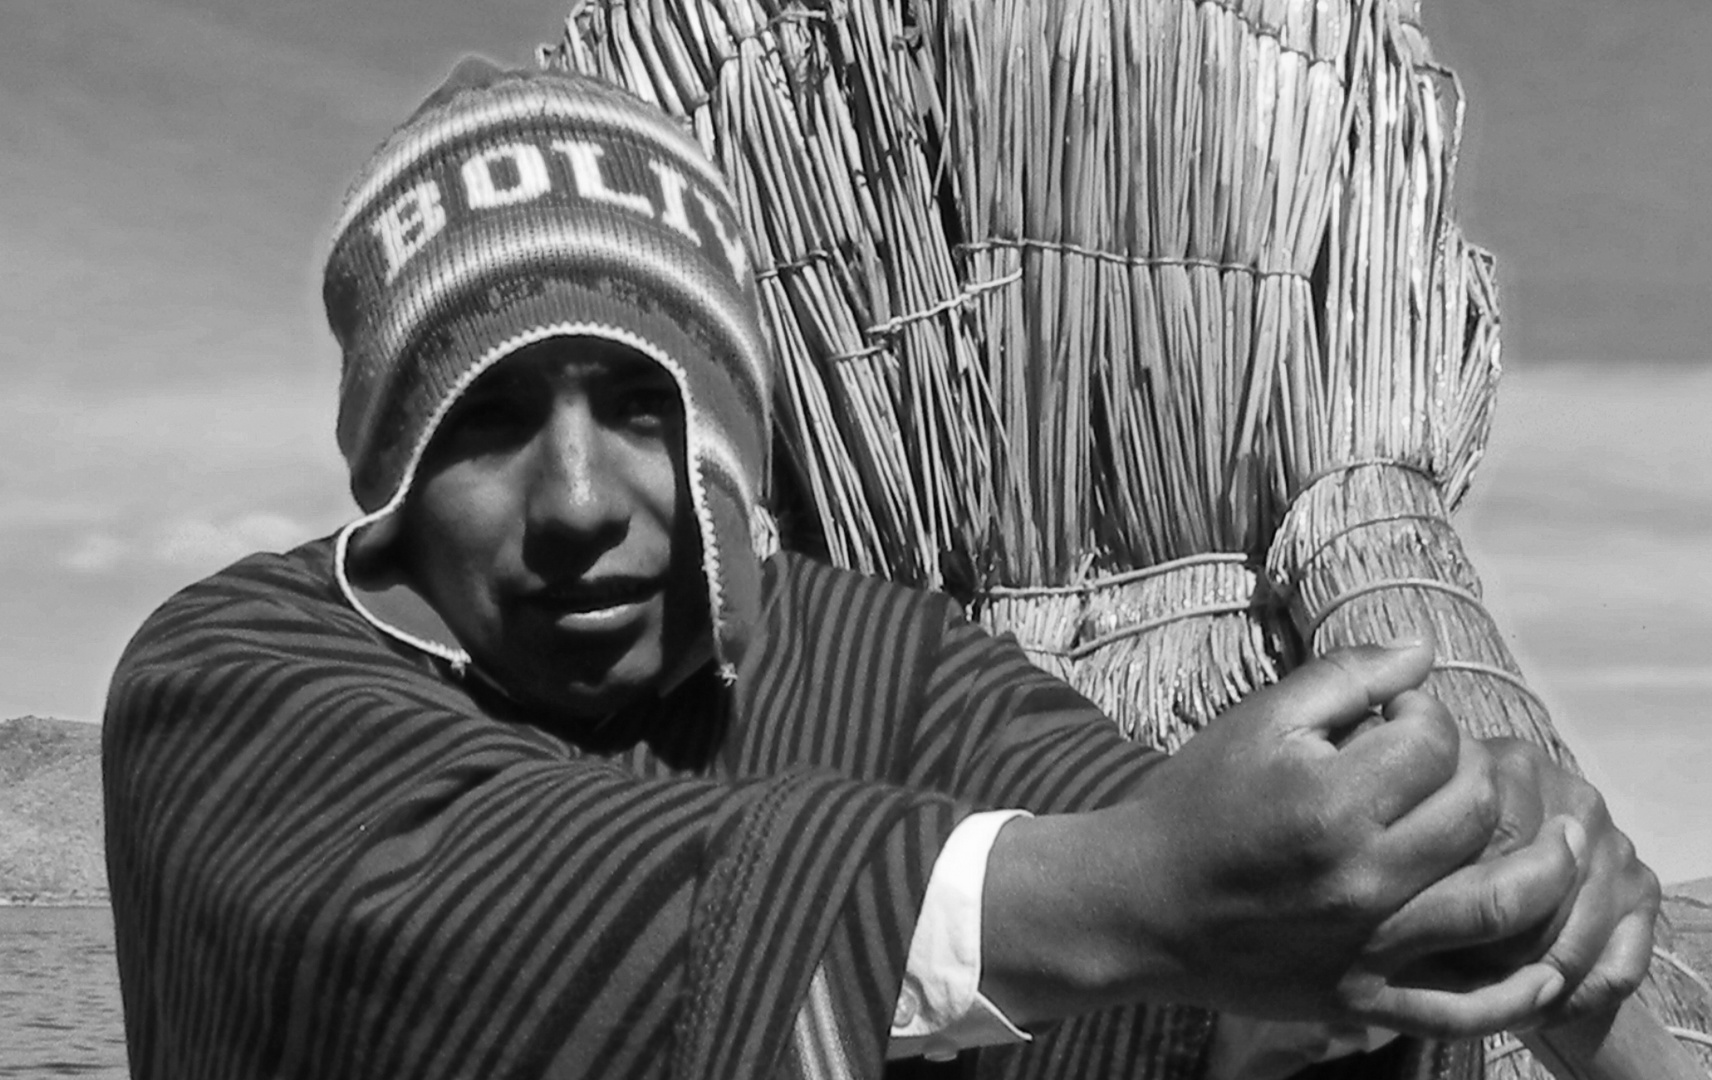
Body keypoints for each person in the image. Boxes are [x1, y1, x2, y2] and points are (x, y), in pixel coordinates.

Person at [102, 59, 1658, 1080]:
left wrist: (1427, 904)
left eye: (643, 402)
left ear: (725, 427)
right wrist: (1144, 896)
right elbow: (486, 930)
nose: (576, 498)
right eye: (488, 420)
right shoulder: (230, 676)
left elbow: (1165, 928)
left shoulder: (862, 665)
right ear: (392, 465)